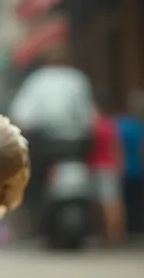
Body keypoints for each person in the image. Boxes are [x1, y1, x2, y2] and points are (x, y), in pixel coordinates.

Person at [9, 44, 94, 219]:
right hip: (78, 144)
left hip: (47, 144)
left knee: (30, 176)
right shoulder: (77, 79)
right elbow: (89, 116)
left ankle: (33, 214)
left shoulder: (37, 81)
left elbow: (21, 114)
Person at [87, 106, 125, 244]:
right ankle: (111, 234)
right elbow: (116, 146)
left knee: (108, 203)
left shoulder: (97, 127)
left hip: (102, 167)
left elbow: (114, 146)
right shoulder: (107, 125)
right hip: (102, 167)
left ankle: (112, 234)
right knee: (108, 202)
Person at [115, 90, 144, 235]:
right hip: (137, 170)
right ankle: (136, 227)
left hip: (121, 169)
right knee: (137, 201)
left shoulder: (117, 124)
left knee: (122, 201)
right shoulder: (139, 126)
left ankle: (125, 229)